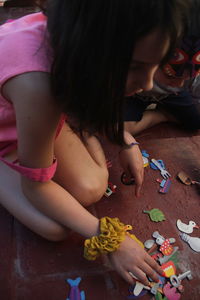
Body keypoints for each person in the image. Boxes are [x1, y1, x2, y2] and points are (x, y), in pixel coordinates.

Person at [0, 0, 188, 286]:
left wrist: (124, 139)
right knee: (54, 228)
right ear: (88, 49)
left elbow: (94, 88)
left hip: (32, 119)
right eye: (135, 67)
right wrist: (111, 240)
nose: (148, 84)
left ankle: (71, 126)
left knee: (91, 186)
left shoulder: (76, 41)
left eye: (155, 65)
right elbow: (35, 186)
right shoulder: (38, 86)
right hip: (16, 127)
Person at [124, 0, 200, 136]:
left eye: (188, 78)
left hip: (170, 97)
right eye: (171, 75)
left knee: (194, 122)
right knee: (120, 128)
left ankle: (164, 113)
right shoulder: (139, 64)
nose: (179, 84)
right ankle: (163, 114)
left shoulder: (188, 74)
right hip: (134, 96)